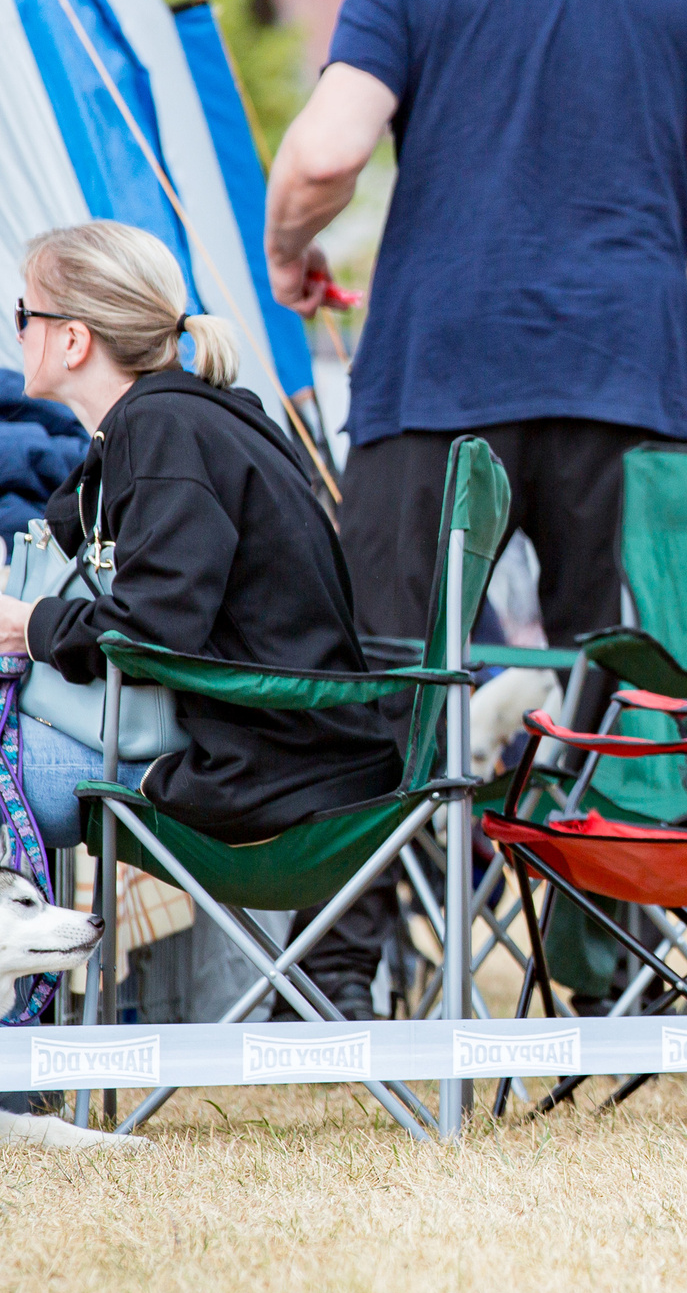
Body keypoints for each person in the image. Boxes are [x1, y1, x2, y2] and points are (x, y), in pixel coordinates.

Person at [262, 0, 687, 1007]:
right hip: (632, 374)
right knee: (617, 672)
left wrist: (287, 256)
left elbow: (321, 158)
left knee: (386, 671)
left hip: (434, 378)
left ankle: (347, 974)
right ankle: (605, 964)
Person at [0, 223, 399, 857]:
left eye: (25, 313)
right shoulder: (190, 415)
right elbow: (72, 525)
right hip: (300, 761)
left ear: (74, 339)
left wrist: (31, 627)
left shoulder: (161, 431)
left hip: (262, 781)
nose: (17, 330)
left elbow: (155, 627)